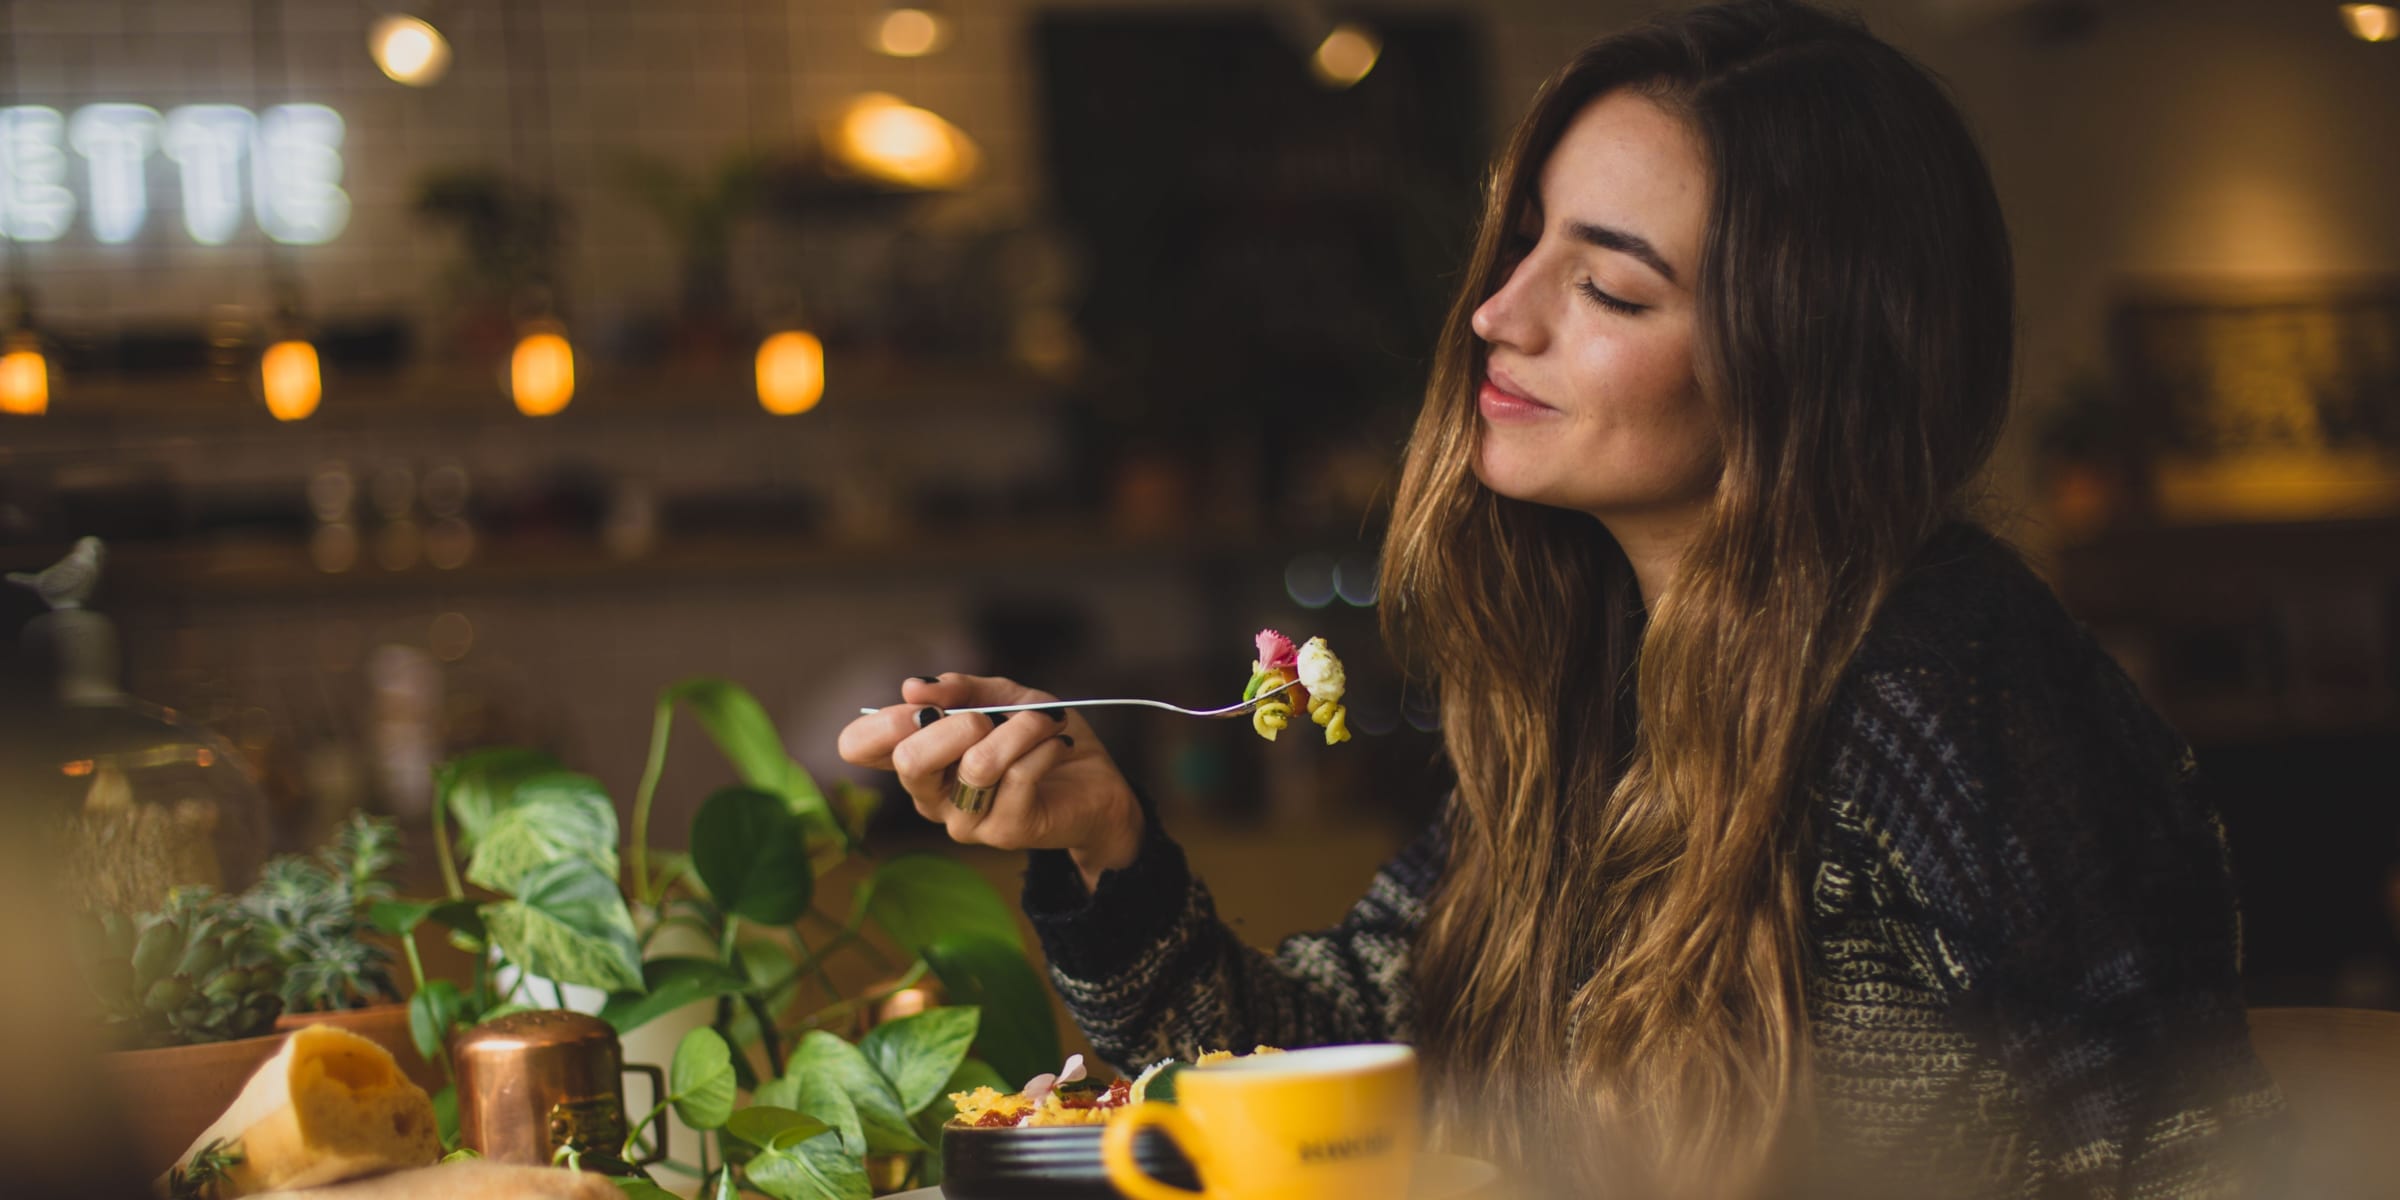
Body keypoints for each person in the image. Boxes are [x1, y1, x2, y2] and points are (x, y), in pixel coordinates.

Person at [838, 2, 2284, 1195]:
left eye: (1612, 288)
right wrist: (1105, 842)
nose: (1496, 311)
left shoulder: (1944, 718)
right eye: (1528, 238)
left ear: (1806, 368)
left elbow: (2164, 1160)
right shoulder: (1613, 685)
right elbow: (1336, 1056)